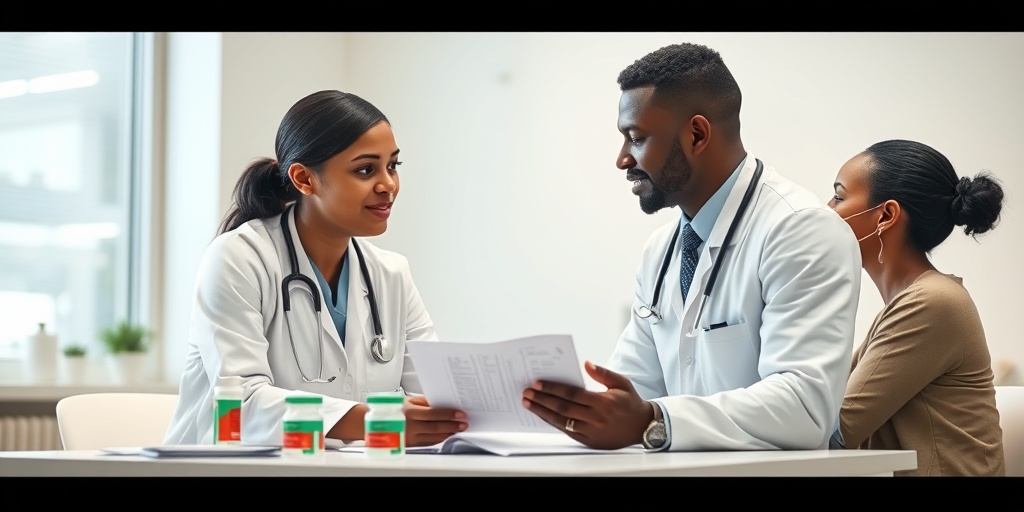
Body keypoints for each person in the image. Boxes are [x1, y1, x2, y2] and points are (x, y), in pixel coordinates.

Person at [521, 42, 863, 451]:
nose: (622, 159)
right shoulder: (661, 250)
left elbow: (804, 409)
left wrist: (653, 421)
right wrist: (571, 410)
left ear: (697, 134)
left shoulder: (801, 231)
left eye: (637, 138)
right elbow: (635, 387)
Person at [164, 90, 467, 447]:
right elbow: (239, 405)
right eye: (366, 169)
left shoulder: (390, 274)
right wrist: (372, 422)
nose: (388, 185)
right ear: (304, 179)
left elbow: (435, 397)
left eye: (393, 166)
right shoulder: (239, 258)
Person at [827, 139, 1005, 476]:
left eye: (838, 196)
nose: (827, 209)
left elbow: (835, 430)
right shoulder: (911, 303)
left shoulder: (932, 303)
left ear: (886, 215)